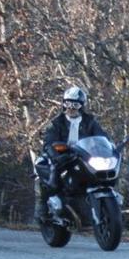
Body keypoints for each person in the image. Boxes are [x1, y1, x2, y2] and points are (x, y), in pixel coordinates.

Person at [33, 86, 108, 222]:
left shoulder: (90, 121)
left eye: (75, 105)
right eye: (68, 104)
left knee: (104, 173)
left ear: (82, 106)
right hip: (63, 155)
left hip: (85, 156)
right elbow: (49, 142)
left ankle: (107, 205)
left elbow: (102, 137)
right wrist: (55, 155)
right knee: (47, 170)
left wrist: (107, 149)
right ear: (63, 104)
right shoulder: (56, 123)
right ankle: (43, 209)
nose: (71, 108)